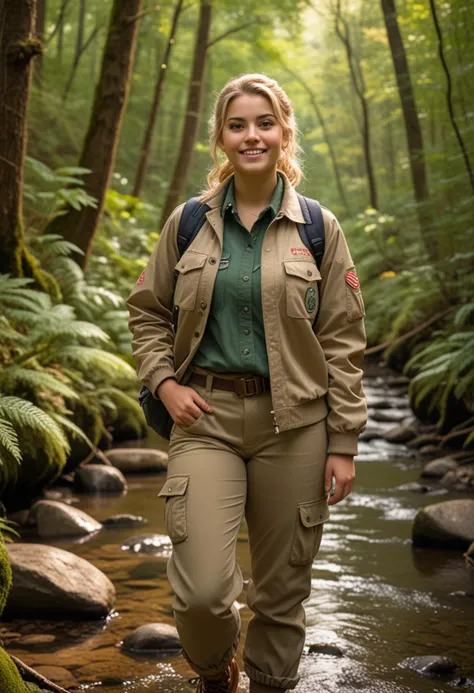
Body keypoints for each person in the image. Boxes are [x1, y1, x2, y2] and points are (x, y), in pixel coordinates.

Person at [126, 73, 367, 693]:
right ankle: (215, 669)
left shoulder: (319, 228)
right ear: (221, 138)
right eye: (238, 124)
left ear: (284, 133)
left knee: (282, 594)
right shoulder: (188, 223)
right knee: (205, 593)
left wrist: (344, 441)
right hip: (203, 419)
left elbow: (341, 340)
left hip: (298, 426)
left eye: (264, 123)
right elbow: (147, 312)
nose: (251, 135)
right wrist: (163, 384)